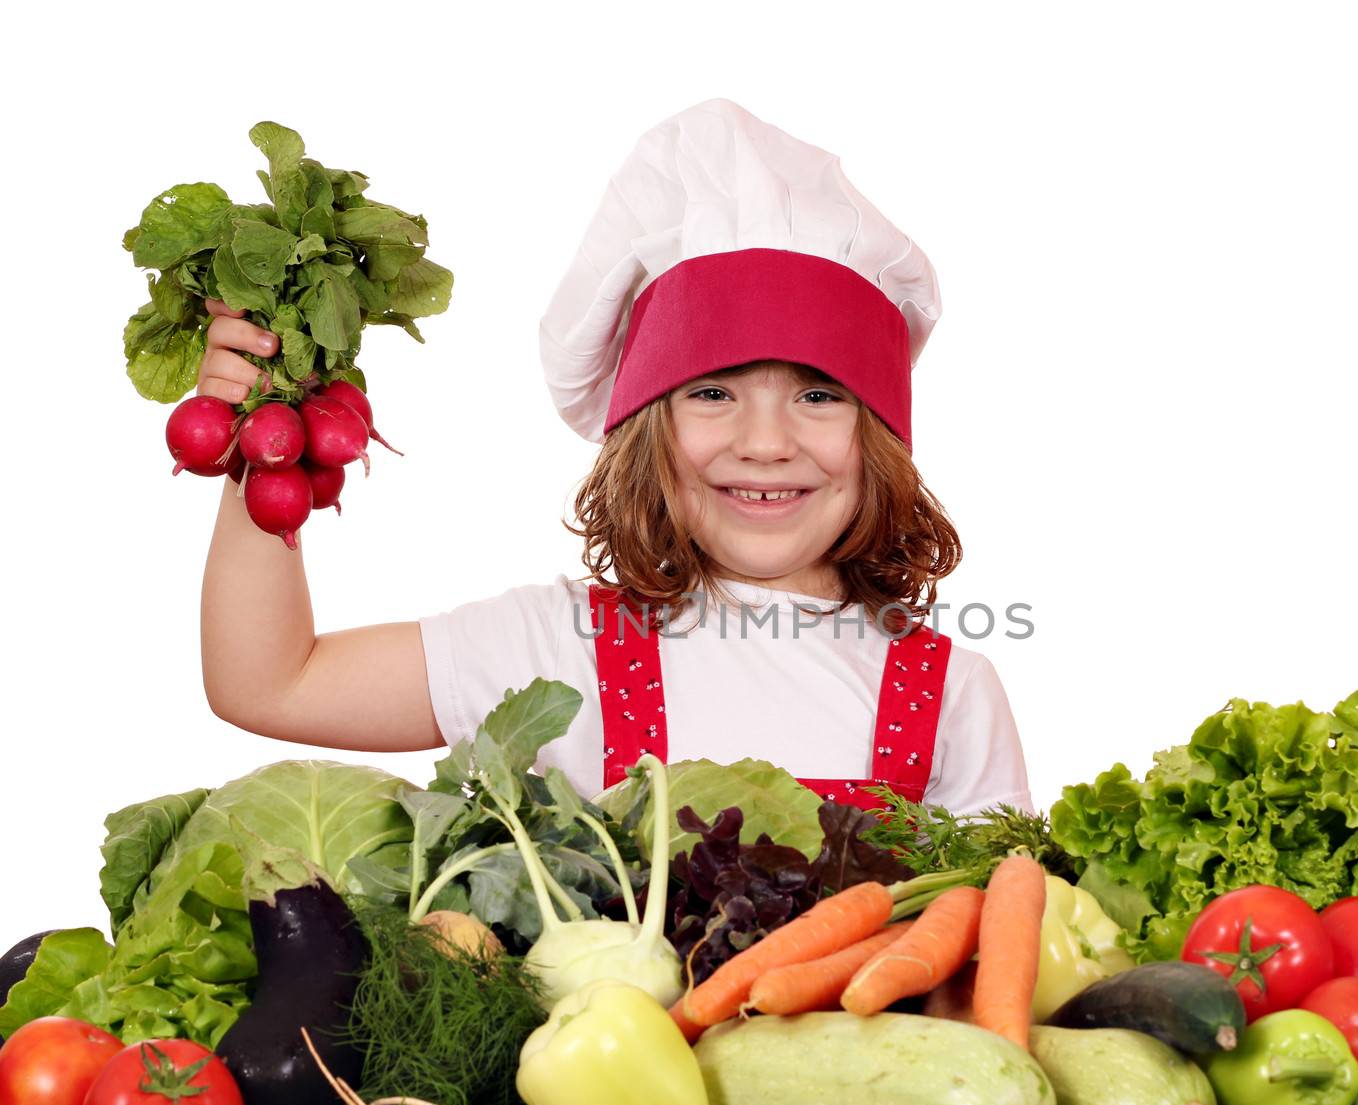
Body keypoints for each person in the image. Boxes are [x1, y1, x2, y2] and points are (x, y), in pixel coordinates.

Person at [198, 98, 1032, 816]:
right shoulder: (549, 647)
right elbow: (274, 684)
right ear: (641, 430)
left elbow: (994, 952)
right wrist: (261, 454)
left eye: (819, 396)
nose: (767, 444)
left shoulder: (953, 693)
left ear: (881, 436)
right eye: (712, 394)